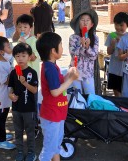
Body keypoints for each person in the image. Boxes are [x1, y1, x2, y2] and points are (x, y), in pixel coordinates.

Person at [36, 32, 79, 161]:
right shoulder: (50, 68)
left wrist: (69, 74)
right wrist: (71, 80)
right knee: (48, 149)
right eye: (60, 45)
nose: (62, 48)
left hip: (57, 113)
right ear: (53, 51)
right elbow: (55, 91)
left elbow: (59, 83)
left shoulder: (52, 66)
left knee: (55, 145)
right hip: (52, 116)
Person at [8, 43, 38, 161]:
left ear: (29, 57)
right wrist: (10, 95)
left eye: (23, 55)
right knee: (18, 131)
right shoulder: (13, 73)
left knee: (30, 132)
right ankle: (19, 151)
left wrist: (25, 83)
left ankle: (31, 152)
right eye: (17, 56)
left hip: (29, 109)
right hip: (16, 108)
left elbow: (35, 90)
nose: (20, 58)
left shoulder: (32, 72)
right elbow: (10, 88)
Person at [0, 36, 16, 149]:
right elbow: (5, 81)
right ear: (1, 51)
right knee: (1, 118)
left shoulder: (6, 61)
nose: (10, 48)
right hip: (1, 97)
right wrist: (14, 74)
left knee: (2, 116)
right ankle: (1, 141)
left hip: (5, 96)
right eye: (8, 46)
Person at [69, 9, 99, 95]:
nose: (85, 23)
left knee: (90, 96)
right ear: (78, 23)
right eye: (82, 20)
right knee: (77, 96)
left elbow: (94, 56)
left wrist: (87, 47)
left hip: (88, 73)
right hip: (75, 72)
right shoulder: (73, 38)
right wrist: (82, 47)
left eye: (88, 20)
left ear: (92, 24)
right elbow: (73, 55)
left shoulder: (95, 38)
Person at [105, 12, 128, 97]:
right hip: (114, 68)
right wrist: (112, 44)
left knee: (124, 89)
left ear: (127, 25)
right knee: (115, 89)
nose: (118, 27)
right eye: (116, 25)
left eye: (121, 25)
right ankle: (118, 105)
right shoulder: (112, 35)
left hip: (125, 69)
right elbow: (109, 52)